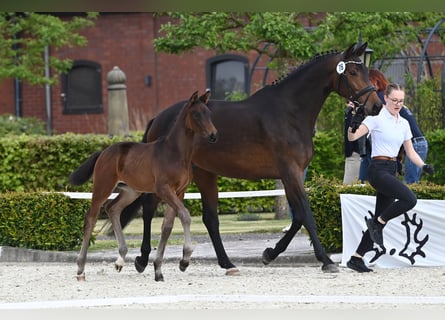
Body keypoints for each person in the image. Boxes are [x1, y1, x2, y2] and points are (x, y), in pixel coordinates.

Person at [345, 83, 435, 273]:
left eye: (401, 101)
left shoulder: (403, 123)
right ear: (386, 98)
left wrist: (423, 166)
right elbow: (352, 137)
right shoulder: (375, 120)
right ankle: (377, 223)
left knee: (380, 217)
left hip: (392, 168)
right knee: (409, 199)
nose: (398, 104)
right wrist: (352, 119)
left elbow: (410, 151)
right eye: (394, 100)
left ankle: (356, 258)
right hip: (378, 170)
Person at [399, 105, 428, 184]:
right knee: (413, 182)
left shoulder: (391, 105)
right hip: (421, 143)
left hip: (415, 144)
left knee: (409, 183)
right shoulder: (402, 107)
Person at [343, 100, 368, 184]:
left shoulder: (361, 115)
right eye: (348, 103)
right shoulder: (349, 113)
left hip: (356, 153)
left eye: (352, 103)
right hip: (350, 154)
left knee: (349, 186)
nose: (350, 105)